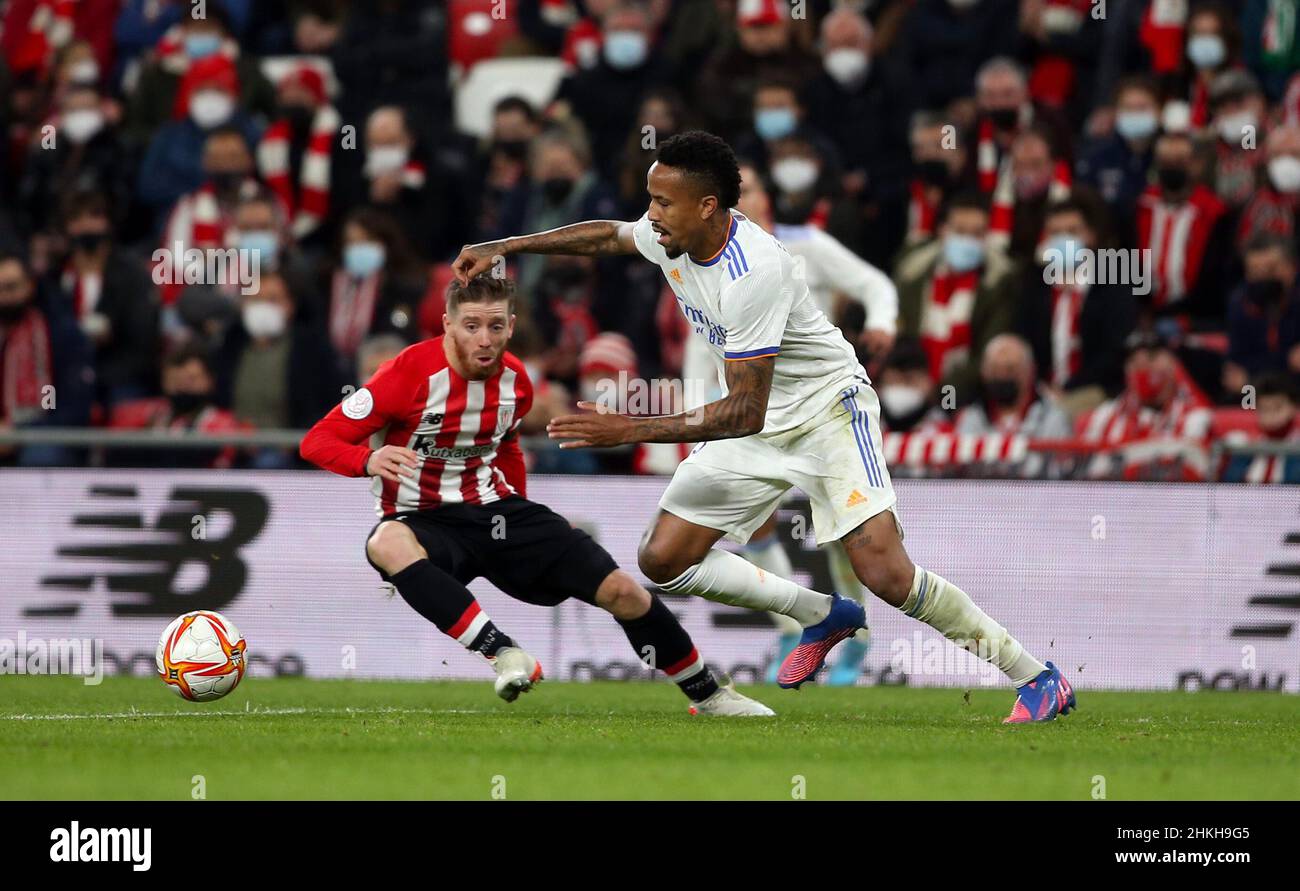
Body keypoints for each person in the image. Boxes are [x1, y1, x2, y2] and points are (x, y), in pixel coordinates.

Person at [455, 130, 1077, 722]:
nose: (651, 215)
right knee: (664, 558)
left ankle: (1035, 676)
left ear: (708, 207)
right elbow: (608, 238)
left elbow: (743, 410)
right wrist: (509, 246)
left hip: (826, 410)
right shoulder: (672, 234)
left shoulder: (755, 271)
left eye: (662, 202)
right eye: (651, 199)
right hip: (759, 415)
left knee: (885, 574)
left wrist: (628, 428)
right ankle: (823, 615)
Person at [299, 273, 771, 716]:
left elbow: (506, 448)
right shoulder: (404, 374)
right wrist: (367, 460)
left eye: (495, 325)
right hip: (423, 520)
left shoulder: (516, 382)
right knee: (385, 542)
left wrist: (525, 516)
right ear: (447, 324)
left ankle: (708, 695)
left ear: (512, 326)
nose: (484, 338)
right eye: (471, 326)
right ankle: (503, 653)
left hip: (497, 512)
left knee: (623, 591)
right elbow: (317, 441)